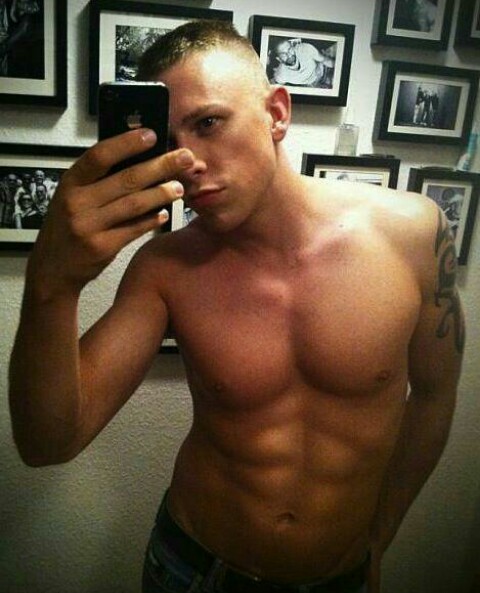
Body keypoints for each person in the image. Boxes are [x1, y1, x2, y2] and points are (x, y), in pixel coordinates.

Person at [8, 20, 464, 593]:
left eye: (208, 123)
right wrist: (51, 286)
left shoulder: (414, 233)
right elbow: (48, 443)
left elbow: (436, 394)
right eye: (167, 139)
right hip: (195, 570)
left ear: (276, 113)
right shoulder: (166, 268)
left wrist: (382, 535)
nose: (187, 161)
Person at [269, 38, 334, 87]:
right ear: (279, 59)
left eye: (289, 49)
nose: (289, 55)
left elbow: (324, 60)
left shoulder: (305, 49)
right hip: (312, 86)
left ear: (292, 47)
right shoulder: (280, 75)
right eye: (283, 54)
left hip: (323, 70)